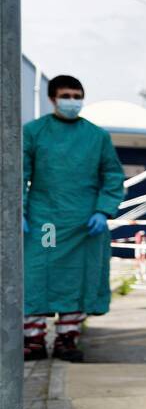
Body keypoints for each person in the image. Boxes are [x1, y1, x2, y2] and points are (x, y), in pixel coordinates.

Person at [22, 75, 125, 363]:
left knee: (77, 278)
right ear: (53, 99)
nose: (73, 101)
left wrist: (103, 210)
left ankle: (68, 339)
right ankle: (33, 340)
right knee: (36, 275)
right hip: (46, 222)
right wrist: (16, 210)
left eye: (77, 95)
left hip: (84, 223)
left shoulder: (97, 136)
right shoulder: (33, 132)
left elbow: (113, 176)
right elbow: (19, 173)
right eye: (66, 95)